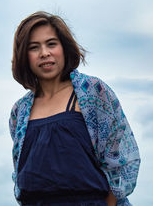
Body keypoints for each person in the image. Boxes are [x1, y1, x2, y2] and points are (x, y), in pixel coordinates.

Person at [9, 11, 140, 206]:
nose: (44, 53)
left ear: (64, 47)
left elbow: (121, 160)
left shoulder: (94, 93)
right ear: (24, 56)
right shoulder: (19, 112)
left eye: (51, 44)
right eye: (34, 47)